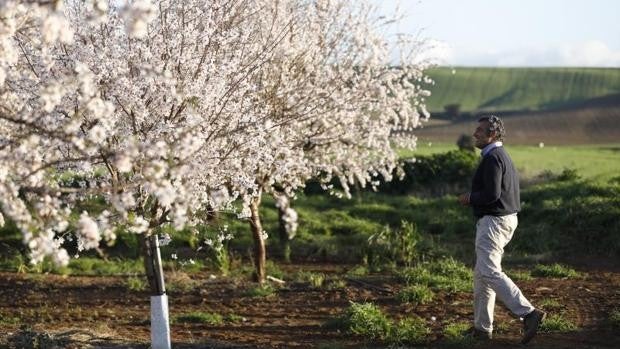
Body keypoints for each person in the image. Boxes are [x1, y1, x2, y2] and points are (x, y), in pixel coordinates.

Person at [458, 115, 546, 344]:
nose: (475, 133)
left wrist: (469, 198)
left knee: (488, 272)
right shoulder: (498, 155)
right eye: (476, 129)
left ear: (493, 134)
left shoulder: (493, 158)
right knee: (482, 274)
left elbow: (491, 195)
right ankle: (482, 328)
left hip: (494, 222)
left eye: (481, 130)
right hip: (501, 220)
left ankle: (528, 313)